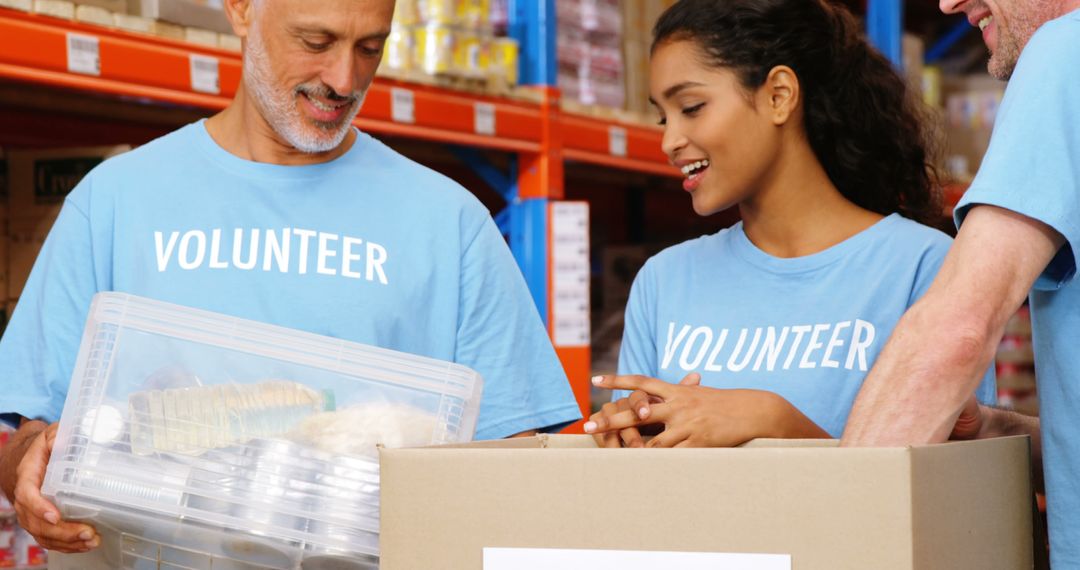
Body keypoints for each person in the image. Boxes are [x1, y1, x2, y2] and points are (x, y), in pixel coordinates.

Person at [0, 0, 580, 555]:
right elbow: (29, 435)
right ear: (242, 8)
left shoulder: (451, 224)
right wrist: (31, 469)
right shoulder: (114, 202)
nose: (344, 79)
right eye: (316, 42)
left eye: (370, 48)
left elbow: (519, 465)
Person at [583, 0, 996, 449]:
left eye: (692, 106)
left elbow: (957, 486)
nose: (669, 141)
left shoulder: (925, 268)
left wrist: (775, 421)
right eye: (664, 117)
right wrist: (626, 433)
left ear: (779, 95)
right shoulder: (663, 281)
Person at [841, 0, 1080, 565]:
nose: (948, 2)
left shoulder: (1066, 50)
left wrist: (829, 531)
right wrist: (999, 428)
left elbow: (960, 329)